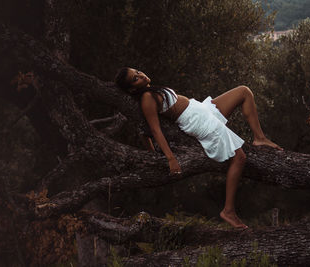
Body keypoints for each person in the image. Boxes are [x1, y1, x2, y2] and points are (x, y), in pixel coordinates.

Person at [114, 67, 283, 230]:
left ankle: (259, 138)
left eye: (137, 72)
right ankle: (228, 210)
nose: (141, 75)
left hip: (200, 109)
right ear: (131, 89)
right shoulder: (146, 99)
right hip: (196, 121)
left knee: (244, 92)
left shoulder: (151, 91)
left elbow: (144, 129)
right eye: (135, 79)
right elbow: (154, 130)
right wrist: (170, 158)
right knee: (240, 158)